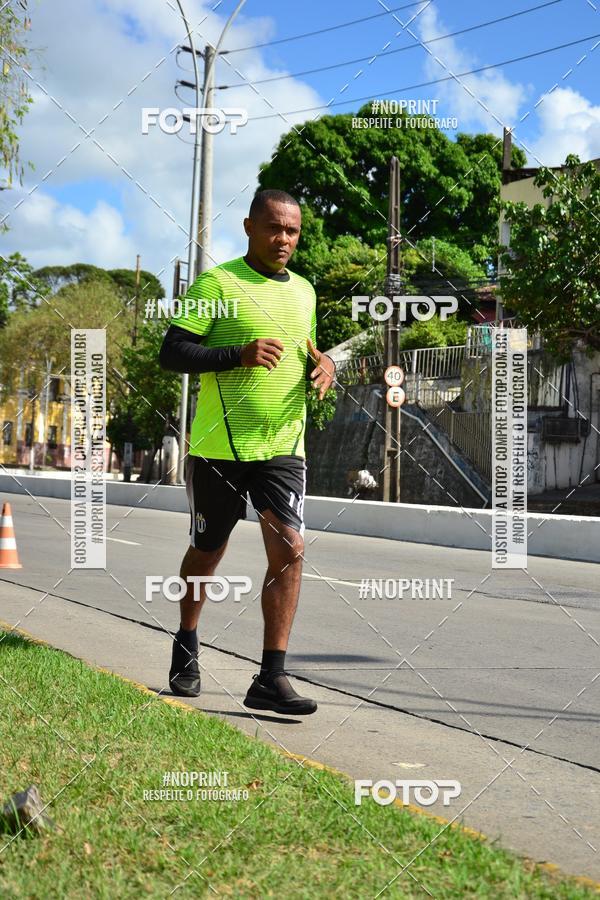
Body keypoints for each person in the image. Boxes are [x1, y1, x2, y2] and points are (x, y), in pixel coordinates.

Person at [158, 189, 335, 715]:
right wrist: (237, 354)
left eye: (293, 231)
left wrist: (325, 365)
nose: (284, 239)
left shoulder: (304, 291)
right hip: (220, 447)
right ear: (250, 227)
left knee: (290, 549)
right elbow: (172, 351)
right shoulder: (217, 283)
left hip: (283, 445)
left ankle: (271, 677)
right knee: (207, 551)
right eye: (275, 228)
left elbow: (307, 351)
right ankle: (187, 639)